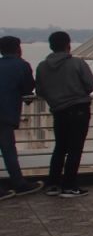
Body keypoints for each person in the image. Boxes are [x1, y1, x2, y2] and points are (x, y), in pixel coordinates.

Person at [35, 31, 93, 198]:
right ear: (68, 45)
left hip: (58, 111)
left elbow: (40, 91)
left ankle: (53, 184)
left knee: (60, 148)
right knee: (75, 149)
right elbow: (91, 85)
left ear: (51, 46)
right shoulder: (77, 63)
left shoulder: (42, 66)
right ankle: (69, 186)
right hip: (79, 110)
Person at [0, 36, 43, 197]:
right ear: (18, 49)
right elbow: (27, 89)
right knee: (9, 151)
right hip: (6, 114)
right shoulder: (22, 65)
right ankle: (19, 184)